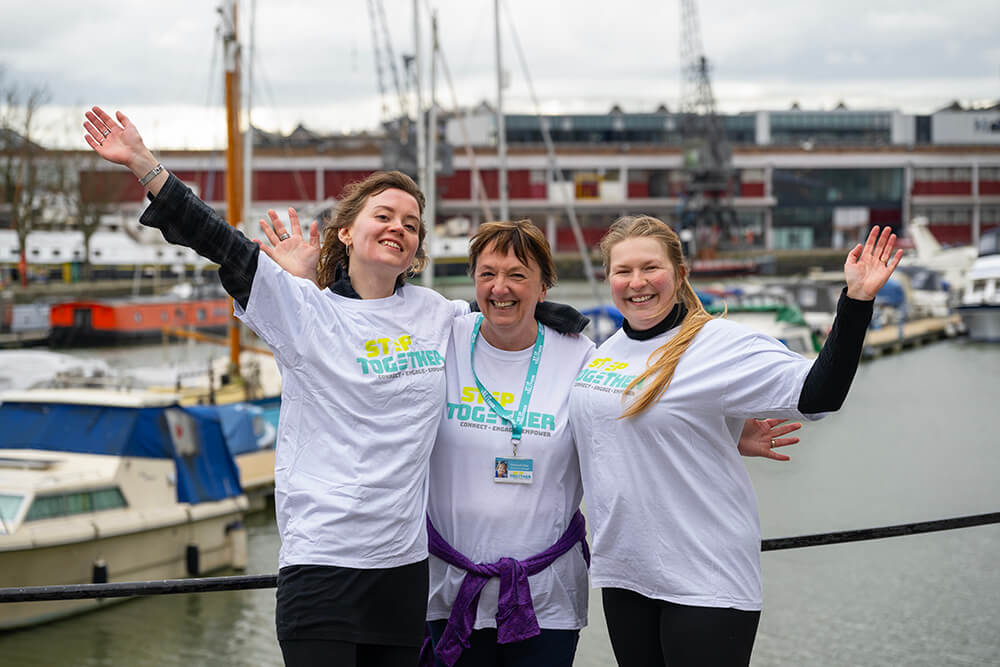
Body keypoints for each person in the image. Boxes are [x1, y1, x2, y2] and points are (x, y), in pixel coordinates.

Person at [83, 106, 468, 667]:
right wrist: (146, 165)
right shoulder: (305, 310)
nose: (399, 229)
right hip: (323, 564)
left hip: (403, 569)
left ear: (417, 249)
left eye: (411, 224)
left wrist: (557, 317)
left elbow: (504, 319)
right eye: (384, 215)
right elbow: (220, 242)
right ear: (346, 232)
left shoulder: (436, 313)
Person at [568, 215, 902, 667]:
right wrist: (720, 433)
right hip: (626, 574)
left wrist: (857, 302)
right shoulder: (604, 353)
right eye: (622, 271)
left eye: (650, 268)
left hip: (705, 580)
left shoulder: (721, 346)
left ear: (680, 274)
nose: (637, 282)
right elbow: (610, 432)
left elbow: (820, 394)